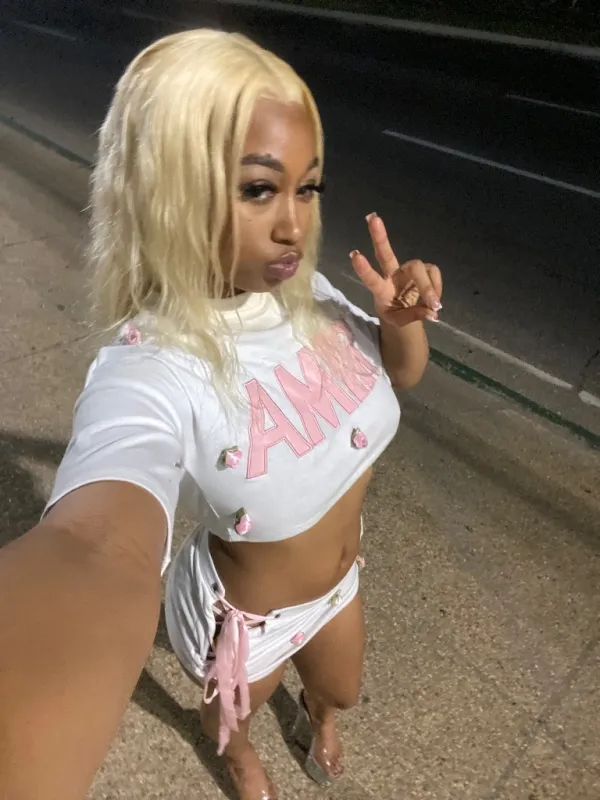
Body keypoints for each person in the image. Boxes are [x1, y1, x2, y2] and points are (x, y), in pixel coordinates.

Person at [0, 29, 443, 800]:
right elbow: (95, 540)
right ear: (170, 188)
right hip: (247, 621)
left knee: (341, 689)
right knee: (233, 714)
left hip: (341, 583)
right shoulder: (150, 367)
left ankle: (319, 716)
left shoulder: (307, 294)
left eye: (308, 188)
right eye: (259, 189)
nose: (294, 225)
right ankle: (237, 754)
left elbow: (400, 375)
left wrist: (400, 321)